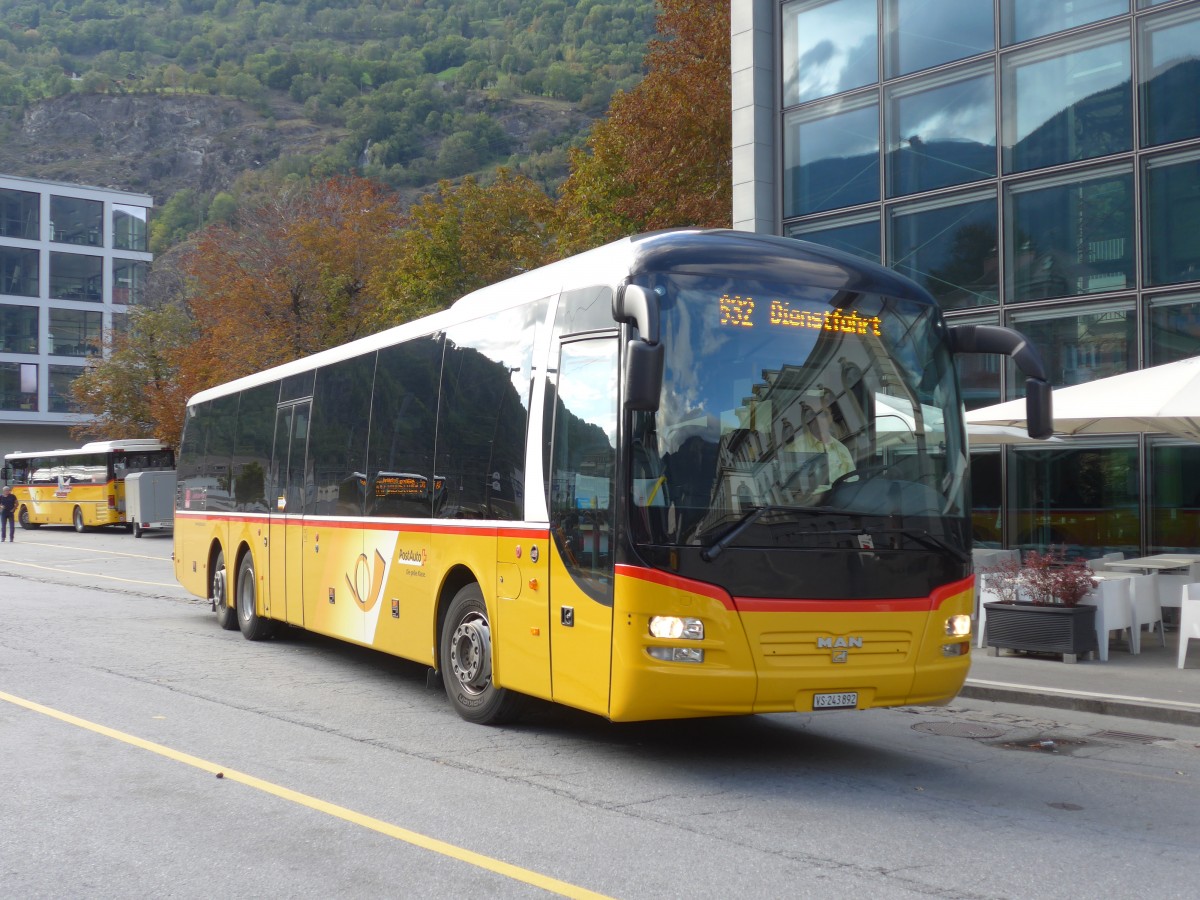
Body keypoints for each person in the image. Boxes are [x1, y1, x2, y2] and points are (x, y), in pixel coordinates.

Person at [790, 403, 855, 490]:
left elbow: (853, 480)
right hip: (818, 502)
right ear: (808, 422)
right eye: (812, 416)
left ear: (830, 418)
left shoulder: (841, 448)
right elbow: (796, 491)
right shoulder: (796, 449)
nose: (818, 420)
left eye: (823, 415)